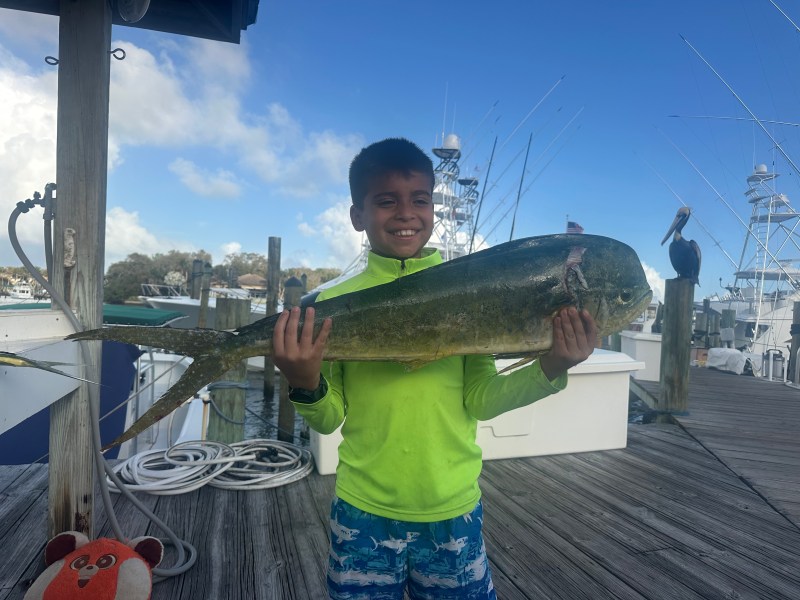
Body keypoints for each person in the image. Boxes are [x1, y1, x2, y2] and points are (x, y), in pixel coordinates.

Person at [272, 137, 597, 599]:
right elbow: (331, 417)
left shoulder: (473, 291)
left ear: (433, 209)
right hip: (363, 510)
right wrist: (304, 381)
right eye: (387, 201)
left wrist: (553, 365)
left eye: (419, 200)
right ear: (357, 216)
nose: (406, 213)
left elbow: (480, 400)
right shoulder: (328, 306)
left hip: (453, 511)